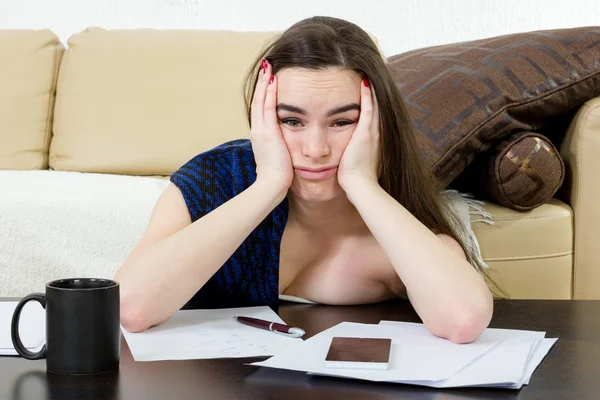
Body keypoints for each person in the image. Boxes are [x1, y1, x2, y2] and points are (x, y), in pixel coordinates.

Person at [114, 16, 494, 343]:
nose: (315, 149)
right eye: (291, 121)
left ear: (378, 123)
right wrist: (269, 185)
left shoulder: (393, 222)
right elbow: (130, 307)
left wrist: (362, 184)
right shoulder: (212, 180)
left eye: (342, 122)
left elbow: (463, 320)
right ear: (263, 118)